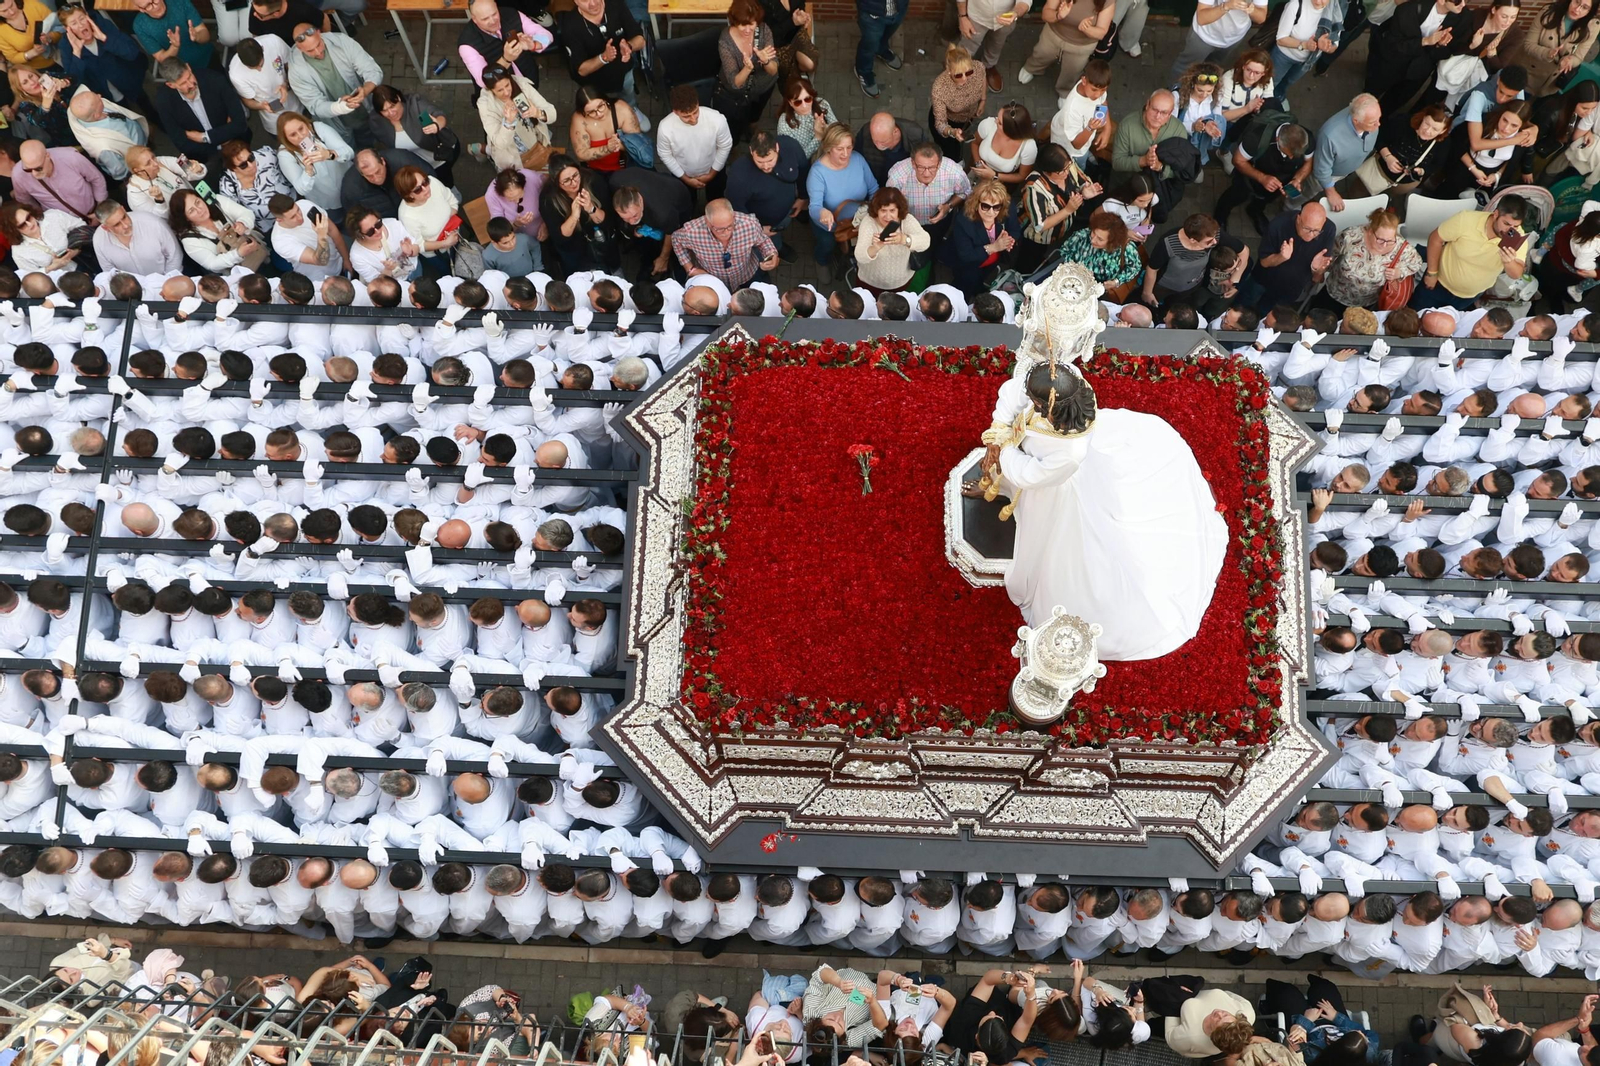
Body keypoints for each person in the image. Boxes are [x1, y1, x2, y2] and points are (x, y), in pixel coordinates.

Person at [981, 359, 1227, 661]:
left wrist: (1003, 449)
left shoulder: (1070, 452)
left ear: (1048, 405)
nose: (1027, 400)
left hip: (1057, 490)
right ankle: (996, 484)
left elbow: (1031, 475)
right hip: (1027, 456)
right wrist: (998, 428)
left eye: (1033, 400)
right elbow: (1013, 392)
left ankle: (1001, 486)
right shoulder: (1064, 380)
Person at [1417, 193, 1529, 309]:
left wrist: (1509, 262)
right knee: (1413, 317)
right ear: (1495, 214)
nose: (1509, 230)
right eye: (1506, 223)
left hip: (1469, 297)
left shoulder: (1518, 239)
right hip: (1438, 284)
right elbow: (1436, 238)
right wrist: (1432, 273)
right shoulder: (1466, 219)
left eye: (1515, 226)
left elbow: (1516, 274)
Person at [285, 26, 381, 148]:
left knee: (368, 136)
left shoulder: (342, 41)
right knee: (348, 148)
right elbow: (315, 105)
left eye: (319, 45)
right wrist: (340, 107)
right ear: (299, 48)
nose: (318, 52)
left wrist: (366, 89)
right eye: (310, 51)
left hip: (365, 110)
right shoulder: (296, 72)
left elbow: (371, 70)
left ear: (319, 33)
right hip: (336, 122)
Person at [1213, 117, 1312, 234]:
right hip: (1250, 176)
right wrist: (1262, 178)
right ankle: (1219, 218)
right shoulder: (1256, 138)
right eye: (1287, 153)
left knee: (1267, 198)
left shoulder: (1306, 140)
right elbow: (1238, 161)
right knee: (1236, 195)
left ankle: (1255, 210)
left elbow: (1308, 162)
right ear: (1278, 140)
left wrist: (1297, 179)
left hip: (1280, 180)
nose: (1291, 158)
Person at [1364, 0, 1467, 111]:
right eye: (1457, 1)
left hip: (1418, 71)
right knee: (1369, 97)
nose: (1463, 4)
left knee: (1392, 104)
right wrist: (1425, 41)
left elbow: (1450, 51)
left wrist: (1439, 45)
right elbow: (1394, 45)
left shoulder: (1462, 18)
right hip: (1391, 63)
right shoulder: (1408, 10)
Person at [807, 122, 878, 276]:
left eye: (849, 147)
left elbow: (873, 189)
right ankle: (822, 261)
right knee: (827, 244)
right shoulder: (817, 173)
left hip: (859, 219)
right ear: (828, 148)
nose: (846, 154)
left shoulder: (858, 159)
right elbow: (814, 207)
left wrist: (875, 213)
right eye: (839, 149)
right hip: (831, 226)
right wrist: (823, 213)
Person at [1141, 211, 1249, 311]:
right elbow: (1152, 269)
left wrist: (1234, 279)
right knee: (1150, 306)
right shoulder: (1168, 244)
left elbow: (1244, 251)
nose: (1215, 241)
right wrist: (1147, 292)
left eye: (1215, 237)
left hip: (1192, 286)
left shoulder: (1213, 235)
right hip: (1165, 285)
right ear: (1192, 240)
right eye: (1209, 241)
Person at [1321, 206, 1423, 310]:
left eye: (1390, 240)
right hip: (1335, 294)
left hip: (1365, 304)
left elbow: (1417, 263)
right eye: (1380, 239)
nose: (1384, 245)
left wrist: (1399, 273)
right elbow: (1330, 256)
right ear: (1370, 231)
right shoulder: (1350, 237)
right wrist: (1319, 272)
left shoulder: (1401, 247)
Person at [153, 60, 252, 165]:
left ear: (188, 67)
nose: (191, 84)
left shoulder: (214, 79)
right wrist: (220, 145)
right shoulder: (164, 102)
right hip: (207, 157)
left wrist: (204, 137)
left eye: (189, 76)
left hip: (237, 142)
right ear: (171, 85)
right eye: (183, 83)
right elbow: (181, 142)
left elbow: (240, 123)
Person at [1017, 142, 1096, 273]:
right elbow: (1040, 225)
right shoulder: (1034, 187)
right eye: (1061, 171)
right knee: (1029, 262)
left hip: (1062, 229)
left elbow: (1083, 181)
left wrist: (1086, 192)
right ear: (1047, 171)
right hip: (1039, 238)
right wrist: (1068, 210)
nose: (1067, 172)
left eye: (1068, 166)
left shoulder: (1067, 166)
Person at [727, 130, 804, 258]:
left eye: (770, 160)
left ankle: (778, 246)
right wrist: (757, 229)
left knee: (778, 233)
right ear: (751, 151)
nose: (766, 166)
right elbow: (736, 207)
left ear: (777, 148)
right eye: (760, 162)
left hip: (789, 211)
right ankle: (772, 249)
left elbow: (804, 170)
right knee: (761, 248)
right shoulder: (739, 174)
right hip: (762, 224)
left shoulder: (791, 146)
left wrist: (803, 197)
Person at [1431, 100, 1531, 198]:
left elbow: (1512, 161)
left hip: (1491, 175)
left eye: (1514, 125)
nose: (1506, 128)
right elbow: (1458, 142)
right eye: (1504, 120)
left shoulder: (1523, 137)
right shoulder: (1484, 121)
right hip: (1467, 164)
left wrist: (1497, 175)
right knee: (1446, 194)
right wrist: (1473, 168)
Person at [673, 198, 777, 289]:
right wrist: (689, 268)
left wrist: (772, 254)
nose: (726, 232)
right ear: (708, 222)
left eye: (730, 226)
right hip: (712, 280)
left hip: (747, 274)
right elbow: (676, 239)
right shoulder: (692, 231)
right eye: (720, 229)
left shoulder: (750, 224)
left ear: (733, 216)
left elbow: (763, 241)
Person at [1247, 202, 1334, 311]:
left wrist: (1316, 270)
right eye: (1307, 228)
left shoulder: (1329, 230)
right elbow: (1264, 262)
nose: (1310, 235)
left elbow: (1317, 278)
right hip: (1263, 280)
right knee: (1244, 303)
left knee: (1266, 315)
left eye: (1316, 231)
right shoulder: (1279, 225)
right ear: (1298, 219)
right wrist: (1281, 257)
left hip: (1289, 290)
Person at [1110, 89, 1185, 214]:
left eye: (1164, 112)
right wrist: (1143, 161)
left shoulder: (1178, 130)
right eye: (1154, 110)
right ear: (1147, 104)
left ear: (1170, 113)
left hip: (1160, 189)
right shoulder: (1127, 125)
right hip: (1128, 187)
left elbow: (1182, 170)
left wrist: (1160, 167)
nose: (1157, 116)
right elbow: (1117, 162)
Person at [57, 7, 144, 114]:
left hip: (129, 80)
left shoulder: (103, 25)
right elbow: (75, 80)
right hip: (105, 95)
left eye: (82, 18)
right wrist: (77, 53)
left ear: (88, 17)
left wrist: (104, 38)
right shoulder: (65, 45)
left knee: (149, 109)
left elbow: (132, 52)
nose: (81, 25)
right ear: (67, 28)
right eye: (74, 23)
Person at [370, 85, 460, 188]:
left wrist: (437, 125)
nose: (391, 113)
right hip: (417, 165)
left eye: (392, 106)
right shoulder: (376, 121)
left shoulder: (415, 105)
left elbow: (438, 115)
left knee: (445, 182)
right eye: (384, 110)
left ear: (399, 98)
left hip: (439, 158)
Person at [541, 152, 617, 272]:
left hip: (599, 238)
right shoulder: (548, 199)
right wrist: (574, 216)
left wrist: (591, 209)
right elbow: (560, 238)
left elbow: (608, 220)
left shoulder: (593, 181)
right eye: (566, 181)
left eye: (575, 175)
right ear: (557, 183)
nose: (574, 183)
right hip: (573, 249)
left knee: (610, 262)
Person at [939, 180, 1017, 295]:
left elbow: (1015, 230)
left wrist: (1009, 240)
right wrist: (994, 247)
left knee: (981, 279)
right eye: (985, 206)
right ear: (976, 204)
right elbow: (966, 255)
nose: (991, 212)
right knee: (964, 286)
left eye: (996, 207)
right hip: (968, 265)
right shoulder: (964, 221)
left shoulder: (1007, 209)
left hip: (991, 261)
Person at [1019, 0, 1111, 97]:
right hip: (1054, 34)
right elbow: (1046, 13)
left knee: (1072, 70)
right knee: (1041, 54)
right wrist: (1058, 15)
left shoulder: (1107, 1)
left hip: (1081, 45)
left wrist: (1087, 29)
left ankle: (1064, 90)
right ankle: (1032, 68)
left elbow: (1101, 33)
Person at [887, 139, 971, 244]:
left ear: (939, 163)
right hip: (908, 225)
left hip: (941, 223)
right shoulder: (897, 177)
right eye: (921, 167)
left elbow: (964, 192)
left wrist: (948, 206)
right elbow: (889, 203)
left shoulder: (954, 173)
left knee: (937, 246)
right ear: (913, 163)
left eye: (932, 168)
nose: (926, 174)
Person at [658, 87, 733, 202]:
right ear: (675, 112)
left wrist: (712, 174)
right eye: (686, 116)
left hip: (715, 171)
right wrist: (685, 178)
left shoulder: (717, 119)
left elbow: (725, 145)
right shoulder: (665, 127)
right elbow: (665, 154)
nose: (693, 119)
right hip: (683, 175)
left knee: (717, 199)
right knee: (686, 202)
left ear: (698, 103)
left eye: (695, 112)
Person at [1354, 104, 1448, 195]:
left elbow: (1437, 165)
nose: (1428, 131)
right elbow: (1379, 136)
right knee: (1358, 192)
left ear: (1443, 130)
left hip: (1405, 183)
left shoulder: (1443, 143)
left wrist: (1422, 171)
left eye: (1435, 129)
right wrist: (1388, 157)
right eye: (1427, 124)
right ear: (1423, 117)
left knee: (1384, 199)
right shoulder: (1403, 122)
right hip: (1379, 171)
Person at [715, 0, 779, 134]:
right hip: (738, 94)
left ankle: (752, 128)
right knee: (735, 124)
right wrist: (747, 68)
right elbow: (735, 82)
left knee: (755, 115)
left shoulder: (764, 31)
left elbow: (773, 71)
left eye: (752, 24)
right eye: (743, 24)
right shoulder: (725, 41)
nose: (748, 30)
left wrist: (766, 61)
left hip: (763, 86)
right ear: (734, 21)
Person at [275, 110, 354, 218]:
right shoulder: (285, 154)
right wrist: (308, 170)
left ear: (306, 123)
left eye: (301, 128)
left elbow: (349, 152)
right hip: (327, 201)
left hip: (350, 185)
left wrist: (329, 154)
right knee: (339, 221)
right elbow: (301, 189)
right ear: (286, 139)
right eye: (293, 135)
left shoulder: (319, 129)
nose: (300, 136)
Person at [476, 64, 555, 172]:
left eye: (507, 85)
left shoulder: (521, 84)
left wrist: (538, 113)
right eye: (500, 90)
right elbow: (500, 143)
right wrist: (508, 123)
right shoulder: (486, 104)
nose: (506, 92)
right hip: (513, 157)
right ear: (491, 90)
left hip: (537, 144)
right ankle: (484, 150)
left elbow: (552, 113)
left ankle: (482, 149)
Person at [461, 0, 553, 91]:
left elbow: (546, 35)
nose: (493, 21)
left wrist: (533, 44)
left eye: (494, 14)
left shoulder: (512, 14)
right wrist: (506, 59)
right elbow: (483, 80)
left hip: (530, 81)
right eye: (485, 19)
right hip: (500, 97)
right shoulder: (467, 44)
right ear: (474, 19)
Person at [1312, 93, 1381, 211]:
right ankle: (1289, 207)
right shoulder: (1330, 137)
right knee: (1309, 190)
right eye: (1372, 122)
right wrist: (1331, 192)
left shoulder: (1369, 120)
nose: (1378, 124)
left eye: (1379, 118)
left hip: (1343, 170)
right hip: (1329, 175)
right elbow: (1321, 170)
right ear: (1356, 121)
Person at [1515, 0, 1600, 96]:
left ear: (1591, 11)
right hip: (1529, 72)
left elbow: (1579, 57)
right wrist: (1548, 53)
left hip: (1552, 81)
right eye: (1576, 2)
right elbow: (1529, 44)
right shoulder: (1549, 12)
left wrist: (1569, 61)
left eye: (1585, 7)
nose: (1577, 9)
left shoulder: (1593, 26)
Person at [612, 174, 691, 277]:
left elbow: (672, 232)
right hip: (654, 182)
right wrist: (635, 226)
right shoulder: (614, 181)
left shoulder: (662, 214)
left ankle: (675, 266)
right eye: (625, 218)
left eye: (634, 216)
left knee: (676, 239)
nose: (631, 222)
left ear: (640, 200)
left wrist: (664, 258)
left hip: (678, 199)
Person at [851, 187, 927, 293]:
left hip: (900, 282)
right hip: (870, 282)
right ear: (876, 210)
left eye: (892, 210)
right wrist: (875, 247)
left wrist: (905, 239)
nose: (887, 216)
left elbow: (925, 241)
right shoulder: (869, 222)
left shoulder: (907, 220)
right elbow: (860, 256)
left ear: (899, 210)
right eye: (883, 210)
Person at [173, 187, 267, 272]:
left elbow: (246, 213)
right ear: (186, 218)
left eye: (198, 202)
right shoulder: (189, 240)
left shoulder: (217, 201)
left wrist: (243, 223)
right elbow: (212, 264)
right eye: (191, 211)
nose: (199, 210)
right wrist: (238, 254)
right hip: (238, 272)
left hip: (259, 251)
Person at [1168, 0, 1268, 80]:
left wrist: (1251, 9)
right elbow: (1202, 18)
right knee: (1185, 67)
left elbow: (1261, 18)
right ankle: (1175, 93)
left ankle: (1203, 91)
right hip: (1204, 35)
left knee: (1214, 67)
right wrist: (1226, 6)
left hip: (1233, 38)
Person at [394, 164, 463, 277]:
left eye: (425, 182)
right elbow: (419, 245)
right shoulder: (407, 216)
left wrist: (451, 227)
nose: (426, 189)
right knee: (450, 273)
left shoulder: (433, 182)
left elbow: (451, 200)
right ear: (409, 195)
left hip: (455, 234)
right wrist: (445, 243)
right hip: (438, 253)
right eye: (418, 190)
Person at [66, 90, 148, 181]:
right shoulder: (104, 148)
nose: (99, 95)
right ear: (96, 115)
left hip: (139, 137)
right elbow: (120, 172)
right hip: (139, 157)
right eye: (99, 101)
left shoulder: (85, 112)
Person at [230, 35, 303, 137]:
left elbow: (291, 65)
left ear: (263, 50)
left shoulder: (274, 42)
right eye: (253, 68)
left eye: (260, 65)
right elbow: (247, 100)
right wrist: (261, 106)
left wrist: (286, 84)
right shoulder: (235, 73)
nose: (259, 70)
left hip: (296, 101)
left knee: (304, 130)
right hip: (273, 117)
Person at [12, 139, 104, 219]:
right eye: (28, 169)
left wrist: (100, 209)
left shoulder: (71, 157)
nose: (34, 173)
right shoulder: (18, 174)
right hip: (63, 225)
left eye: (38, 168)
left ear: (47, 156)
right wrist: (43, 218)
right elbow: (25, 201)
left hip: (93, 212)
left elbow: (96, 178)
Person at [219, 139, 293, 234]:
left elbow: (287, 158)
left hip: (293, 207)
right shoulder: (228, 185)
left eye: (251, 158)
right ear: (233, 169)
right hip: (270, 228)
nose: (251, 165)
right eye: (243, 165)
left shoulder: (267, 156)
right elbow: (231, 212)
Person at [1061, 209, 1141, 296]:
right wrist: (1070, 269)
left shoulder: (1126, 248)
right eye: (1093, 233)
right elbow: (1064, 251)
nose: (1093, 240)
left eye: (1100, 239)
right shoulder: (1082, 236)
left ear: (1113, 242)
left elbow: (1135, 267)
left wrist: (1116, 281)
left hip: (1098, 291)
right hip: (1072, 282)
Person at [91, 199, 181, 275]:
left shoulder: (153, 222)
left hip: (168, 281)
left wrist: (168, 282)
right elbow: (110, 272)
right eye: (117, 224)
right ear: (106, 228)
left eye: (124, 217)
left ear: (123, 209)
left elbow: (175, 255)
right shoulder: (99, 240)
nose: (125, 225)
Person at [1050, 59, 1111, 170]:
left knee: (1085, 151)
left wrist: (1107, 128)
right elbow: (1076, 145)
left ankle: (1087, 153)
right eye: (1094, 90)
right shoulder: (1073, 109)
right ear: (1083, 80)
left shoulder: (1096, 85)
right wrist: (1090, 128)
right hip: (1072, 151)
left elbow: (1103, 101)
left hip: (1084, 138)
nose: (1098, 94)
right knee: (1080, 166)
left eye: (1103, 90)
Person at [929, 45, 987, 162]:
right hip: (949, 121)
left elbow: (983, 79)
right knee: (949, 149)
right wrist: (952, 131)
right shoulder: (939, 88)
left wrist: (983, 100)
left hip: (967, 118)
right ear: (949, 70)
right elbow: (940, 123)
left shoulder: (978, 67)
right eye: (959, 75)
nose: (965, 79)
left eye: (969, 72)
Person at [1271, 0, 1339, 97]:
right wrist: (1305, 45)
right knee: (1270, 82)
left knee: (1288, 82)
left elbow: (1334, 46)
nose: (1318, 2)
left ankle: (1278, 98)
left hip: (1306, 61)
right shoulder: (1296, 5)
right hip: (1283, 56)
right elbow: (1281, 39)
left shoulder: (1334, 13)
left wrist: (1326, 47)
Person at [269, 192, 344, 278]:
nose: (300, 217)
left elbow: (332, 230)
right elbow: (320, 261)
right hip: (320, 276)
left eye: (298, 210)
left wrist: (346, 258)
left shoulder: (305, 204)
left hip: (338, 257)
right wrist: (321, 236)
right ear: (279, 220)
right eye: (293, 217)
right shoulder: (280, 241)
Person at [341, 147, 431, 218]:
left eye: (378, 171)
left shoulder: (403, 160)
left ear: (383, 161)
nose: (376, 178)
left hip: (421, 211)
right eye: (369, 176)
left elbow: (430, 179)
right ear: (361, 174)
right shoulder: (351, 187)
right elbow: (355, 217)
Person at [124, 146, 204, 217]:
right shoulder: (134, 192)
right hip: (180, 223)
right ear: (137, 170)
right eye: (148, 163)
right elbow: (156, 219)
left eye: (153, 157)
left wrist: (198, 169)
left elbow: (191, 171)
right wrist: (159, 200)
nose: (155, 163)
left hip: (197, 203)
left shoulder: (161, 161)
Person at [131, 0, 213, 70]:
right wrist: (174, 47)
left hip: (206, 58)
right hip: (180, 72)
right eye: (148, 5)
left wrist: (197, 36)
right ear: (141, 9)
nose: (155, 6)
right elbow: (162, 58)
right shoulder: (140, 25)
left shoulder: (179, 2)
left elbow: (206, 35)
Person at [347, 205, 422, 281]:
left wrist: (411, 251)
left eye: (378, 224)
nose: (377, 231)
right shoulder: (357, 255)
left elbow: (416, 247)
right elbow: (377, 283)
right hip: (396, 284)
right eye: (370, 232)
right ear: (359, 235)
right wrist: (387, 270)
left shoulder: (393, 224)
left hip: (414, 269)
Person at [972, 101, 1038, 187]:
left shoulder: (1029, 147)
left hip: (1004, 182)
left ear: (1011, 129)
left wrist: (994, 176)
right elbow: (974, 143)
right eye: (997, 117)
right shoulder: (988, 125)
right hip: (978, 171)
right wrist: (978, 164)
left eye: (999, 123)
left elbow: (1022, 176)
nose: (995, 121)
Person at [1175, 62, 1228, 168]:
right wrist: (1193, 126)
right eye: (1200, 90)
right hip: (1181, 139)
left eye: (1209, 90)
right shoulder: (1177, 96)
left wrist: (1212, 124)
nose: (1204, 95)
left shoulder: (1217, 97)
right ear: (1192, 84)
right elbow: (1171, 123)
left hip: (1201, 142)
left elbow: (1217, 116)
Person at [1, 199, 78, 272]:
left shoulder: (53, 216)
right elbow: (32, 279)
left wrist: (76, 250)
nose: (30, 224)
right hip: (63, 281)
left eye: (28, 217)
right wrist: (52, 267)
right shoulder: (18, 252)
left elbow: (82, 227)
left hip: (84, 260)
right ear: (13, 230)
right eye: (22, 225)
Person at [1217, 51, 1274, 146]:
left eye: (1257, 73)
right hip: (1230, 122)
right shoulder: (1228, 80)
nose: (1251, 76)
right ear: (1243, 66)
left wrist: (1260, 107)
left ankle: (1224, 151)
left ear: (1264, 73)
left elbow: (1269, 103)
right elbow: (1222, 116)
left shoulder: (1267, 80)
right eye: (1248, 70)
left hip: (1251, 120)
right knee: (1223, 138)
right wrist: (1247, 108)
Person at [775, 77, 837, 163]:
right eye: (798, 102)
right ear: (790, 103)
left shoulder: (822, 105)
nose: (804, 106)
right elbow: (796, 159)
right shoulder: (785, 123)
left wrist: (828, 129)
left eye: (807, 99)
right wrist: (818, 138)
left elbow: (838, 131)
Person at [7, 69, 73, 148]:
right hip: (69, 137)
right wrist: (45, 106)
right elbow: (37, 121)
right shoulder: (25, 104)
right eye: (25, 82)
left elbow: (74, 76)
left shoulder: (47, 77)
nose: (32, 82)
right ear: (21, 89)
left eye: (31, 76)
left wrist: (65, 82)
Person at [854, 0, 906, 99]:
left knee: (885, 36)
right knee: (869, 46)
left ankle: (881, 49)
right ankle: (863, 71)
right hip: (872, 13)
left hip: (898, 8)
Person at [484, 166, 545, 248]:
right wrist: (516, 224)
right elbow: (500, 227)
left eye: (520, 196)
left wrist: (546, 225)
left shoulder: (532, 177)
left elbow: (551, 196)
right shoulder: (492, 195)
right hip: (519, 241)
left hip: (545, 228)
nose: (516, 201)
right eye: (511, 199)